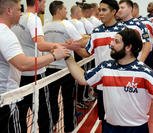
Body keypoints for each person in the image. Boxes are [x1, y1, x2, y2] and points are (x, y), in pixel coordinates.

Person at [65, 28, 153, 133]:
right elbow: (83, 78)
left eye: (116, 41)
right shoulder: (106, 67)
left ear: (128, 47)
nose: (111, 44)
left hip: (136, 129)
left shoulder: (145, 73)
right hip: (110, 128)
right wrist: (67, 56)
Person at [0, 0, 68, 132]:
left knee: (22, 116)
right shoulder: (10, 31)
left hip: (15, 84)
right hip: (11, 93)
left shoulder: (10, 29)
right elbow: (23, 63)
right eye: (19, 9)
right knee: (43, 114)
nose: (21, 13)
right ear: (9, 11)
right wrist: (54, 54)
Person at [67, 0, 126, 128]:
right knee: (104, 121)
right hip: (102, 85)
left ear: (114, 12)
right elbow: (87, 53)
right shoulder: (96, 31)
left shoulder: (124, 31)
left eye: (104, 10)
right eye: (99, 10)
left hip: (120, 84)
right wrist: (74, 47)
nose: (100, 13)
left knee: (122, 121)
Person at [43, 1, 84, 132]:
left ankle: (53, 124)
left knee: (52, 100)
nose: (66, 11)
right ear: (59, 10)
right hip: (66, 68)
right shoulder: (67, 24)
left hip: (49, 67)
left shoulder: (45, 26)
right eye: (65, 9)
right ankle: (70, 128)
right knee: (68, 100)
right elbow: (79, 42)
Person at [132, 2, 153, 72]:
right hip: (134, 53)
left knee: (151, 72)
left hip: (148, 53)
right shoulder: (128, 22)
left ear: (136, 9)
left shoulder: (146, 21)